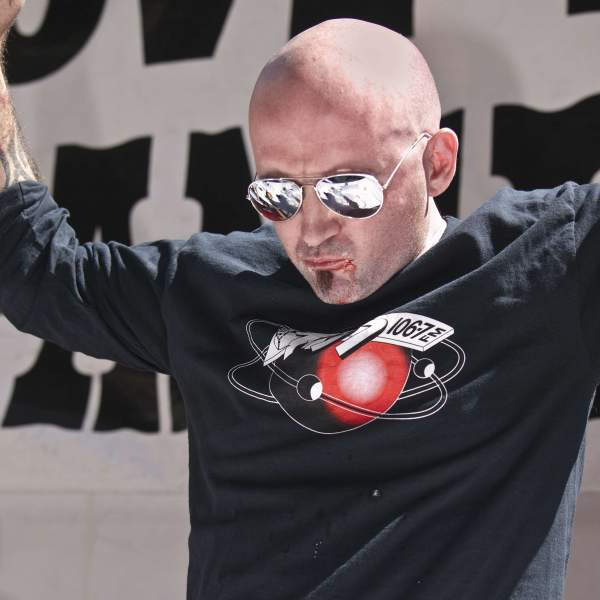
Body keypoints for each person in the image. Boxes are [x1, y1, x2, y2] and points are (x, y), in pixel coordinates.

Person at [0, 3, 597, 599]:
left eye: (348, 189)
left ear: (436, 164)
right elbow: (34, 267)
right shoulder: (211, 288)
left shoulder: (547, 267)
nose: (312, 231)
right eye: (279, 193)